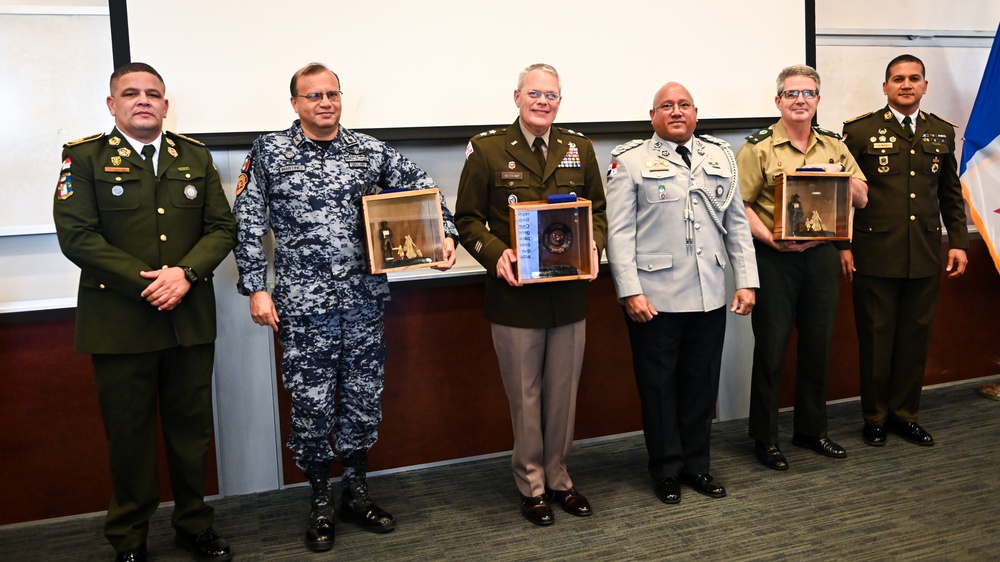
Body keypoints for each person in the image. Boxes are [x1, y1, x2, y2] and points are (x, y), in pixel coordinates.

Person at [232, 62, 458, 551]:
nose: (325, 102)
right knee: (311, 404)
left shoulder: (369, 151)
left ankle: (356, 490)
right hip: (303, 306)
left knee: (361, 398)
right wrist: (256, 285)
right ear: (295, 103)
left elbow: (425, 192)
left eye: (332, 93)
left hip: (363, 303)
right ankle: (319, 499)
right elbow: (249, 222)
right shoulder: (269, 151)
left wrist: (444, 238)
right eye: (313, 96)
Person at [53, 62, 236, 562]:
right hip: (119, 325)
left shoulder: (194, 157)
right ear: (112, 104)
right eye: (130, 93)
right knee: (129, 437)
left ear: (165, 104)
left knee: (191, 433)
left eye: (153, 94)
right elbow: (78, 236)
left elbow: (222, 228)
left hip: (188, 320)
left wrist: (186, 274)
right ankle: (129, 538)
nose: (143, 100)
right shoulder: (84, 157)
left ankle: (193, 523)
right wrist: (149, 283)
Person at [454, 63, 607, 526]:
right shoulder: (488, 149)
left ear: (560, 100)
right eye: (535, 94)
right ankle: (532, 485)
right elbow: (467, 219)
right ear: (517, 96)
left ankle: (560, 478)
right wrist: (497, 253)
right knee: (525, 396)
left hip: (567, 295)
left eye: (552, 95)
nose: (543, 102)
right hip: (515, 294)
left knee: (563, 393)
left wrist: (596, 243)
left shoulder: (578, 148)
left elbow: (597, 209)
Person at [605, 82, 758, 504]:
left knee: (700, 384)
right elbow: (618, 234)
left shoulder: (719, 156)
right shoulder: (630, 162)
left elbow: (737, 224)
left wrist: (745, 280)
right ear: (652, 115)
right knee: (658, 386)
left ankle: (697, 466)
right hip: (654, 298)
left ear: (696, 112)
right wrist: (629, 292)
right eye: (667, 106)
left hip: (709, 292)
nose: (676, 112)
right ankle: (666, 469)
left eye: (684, 105)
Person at [736, 64, 868, 471]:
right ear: (778, 101)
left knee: (818, 347)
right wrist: (771, 240)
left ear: (818, 100)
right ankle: (766, 438)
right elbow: (739, 207)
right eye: (791, 94)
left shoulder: (834, 146)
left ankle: (812, 431)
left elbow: (861, 197)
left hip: (821, 257)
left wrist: (840, 175)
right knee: (771, 351)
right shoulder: (757, 147)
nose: (800, 100)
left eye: (807, 93)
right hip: (775, 258)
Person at [841, 54, 969, 446]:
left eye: (914, 78)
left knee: (915, 338)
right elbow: (841, 195)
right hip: (874, 253)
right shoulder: (859, 131)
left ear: (925, 86)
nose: (906, 85)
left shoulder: (942, 133)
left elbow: (950, 193)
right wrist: (844, 246)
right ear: (885, 87)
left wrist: (959, 243)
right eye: (898, 79)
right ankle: (875, 418)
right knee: (877, 339)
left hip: (926, 252)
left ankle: (905, 415)